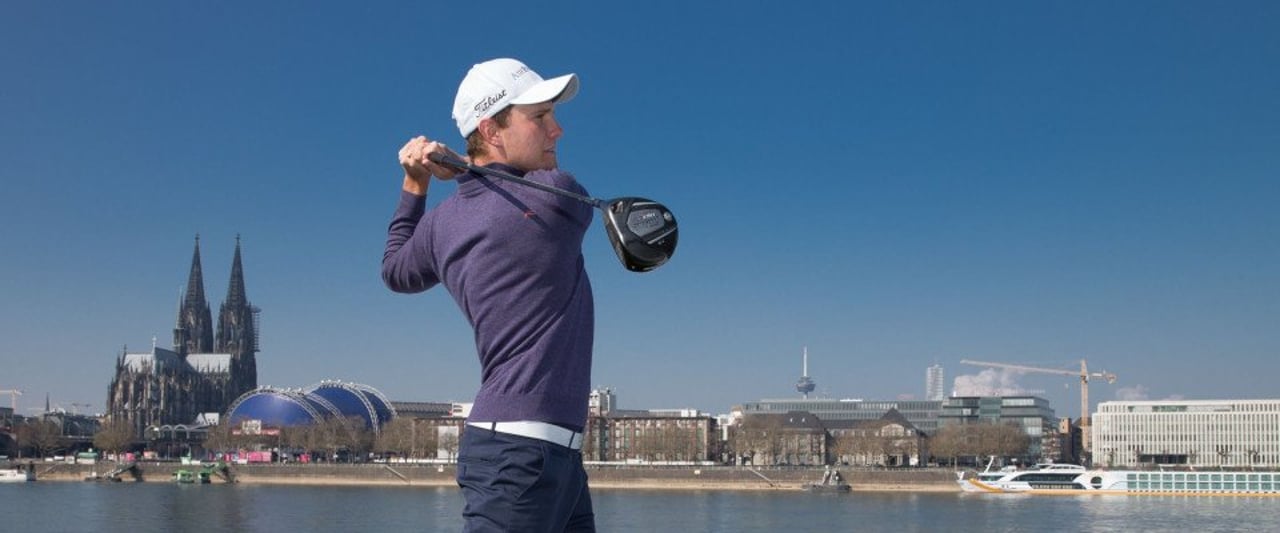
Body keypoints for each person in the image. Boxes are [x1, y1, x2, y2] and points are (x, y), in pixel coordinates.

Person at [382, 57, 596, 532]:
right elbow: (509, 196)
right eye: (539, 117)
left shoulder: (442, 224)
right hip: (519, 457)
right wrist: (461, 171)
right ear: (491, 129)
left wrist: (415, 184)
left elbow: (395, 270)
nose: (557, 130)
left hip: (546, 456)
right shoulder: (555, 196)